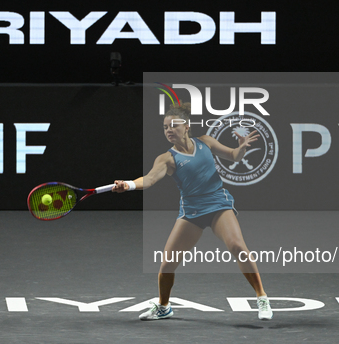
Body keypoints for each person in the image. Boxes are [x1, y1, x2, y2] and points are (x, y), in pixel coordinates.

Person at [112, 102, 272, 321]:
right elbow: (149, 180)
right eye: (165, 127)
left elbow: (233, 156)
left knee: (237, 246)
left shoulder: (205, 142)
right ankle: (164, 306)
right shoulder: (167, 159)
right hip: (192, 212)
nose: (169, 130)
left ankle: (261, 297)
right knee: (167, 263)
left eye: (173, 125)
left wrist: (242, 147)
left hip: (218, 205)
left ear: (186, 126)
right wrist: (129, 184)